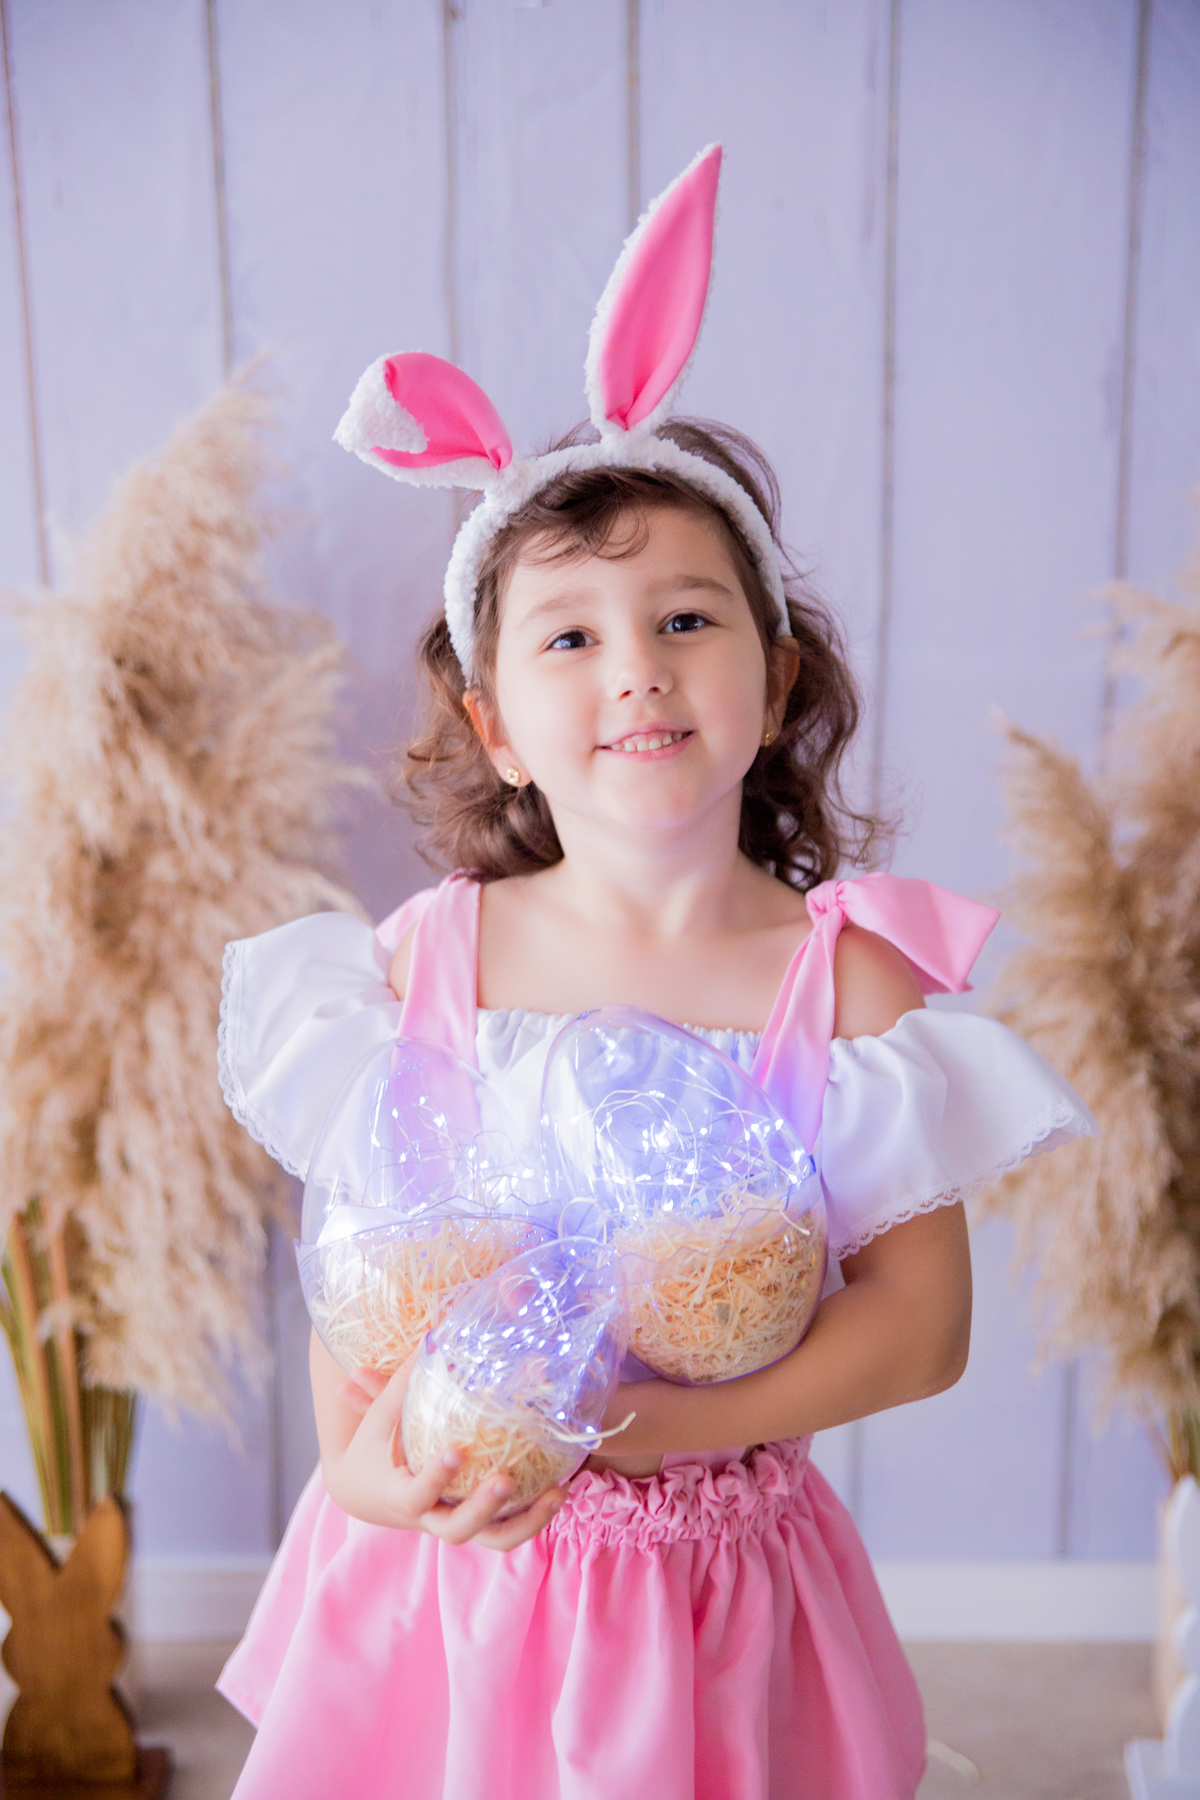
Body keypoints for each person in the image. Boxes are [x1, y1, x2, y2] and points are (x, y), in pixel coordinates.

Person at [215, 147, 1094, 1799]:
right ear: (497, 726)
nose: (636, 672)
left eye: (688, 620)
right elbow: (368, 1257)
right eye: (569, 637)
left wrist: (655, 1430)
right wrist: (359, 1464)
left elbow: (920, 1331)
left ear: (775, 673)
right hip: (450, 1574)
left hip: (710, 1587)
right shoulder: (428, 963)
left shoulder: (847, 984)